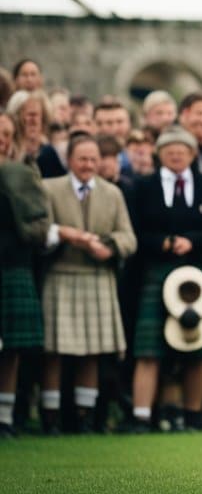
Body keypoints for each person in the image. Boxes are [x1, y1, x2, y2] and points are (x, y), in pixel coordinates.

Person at [128, 127, 202, 432]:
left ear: (192, 154)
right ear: (159, 155)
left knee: (198, 348)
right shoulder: (143, 188)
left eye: (182, 150)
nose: (176, 155)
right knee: (149, 351)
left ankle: (193, 417)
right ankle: (141, 416)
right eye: (169, 150)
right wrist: (161, 243)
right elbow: (133, 232)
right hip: (156, 274)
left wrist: (195, 241)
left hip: (200, 277)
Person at [40, 134, 137, 434]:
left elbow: (128, 237)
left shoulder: (112, 193)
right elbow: (39, 232)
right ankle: (51, 419)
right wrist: (66, 234)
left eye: (94, 159)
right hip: (61, 275)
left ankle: (85, 418)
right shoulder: (49, 189)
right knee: (53, 351)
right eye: (82, 159)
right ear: (69, 160)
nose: (88, 165)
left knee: (92, 352)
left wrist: (109, 247)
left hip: (98, 276)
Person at [0, 132, 52, 438]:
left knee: (12, 350)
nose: (2, 140)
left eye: (6, 134)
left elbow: (38, 227)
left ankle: (4, 419)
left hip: (12, 266)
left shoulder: (20, 175)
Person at [7, 89, 67, 178]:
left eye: (37, 115)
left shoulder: (48, 153)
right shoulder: (7, 152)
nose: (34, 120)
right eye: (29, 115)